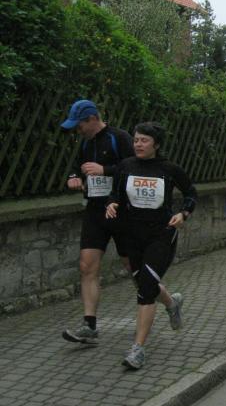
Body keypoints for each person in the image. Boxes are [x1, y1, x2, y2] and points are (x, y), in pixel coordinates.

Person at [59, 100, 178, 346]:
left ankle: (170, 302)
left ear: (92, 119)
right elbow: (77, 167)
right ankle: (89, 326)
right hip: (95, 211)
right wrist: (73, 177)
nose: (77, 130)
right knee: (87, 266)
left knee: (136, 272)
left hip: (122, 214)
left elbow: (136, 169)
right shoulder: (85, 142)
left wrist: (104, 170)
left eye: (79, 125)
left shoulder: (119, 138)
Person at [105, 122, 196, 370]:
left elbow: (191, 193)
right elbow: (115, 194)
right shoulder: (125, 166)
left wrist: (183, 214)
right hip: (132, 236)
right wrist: (111, 204)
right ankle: (172, 304)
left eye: (144, 140)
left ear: (156, 144)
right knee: (146, 283)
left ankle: (138, 349)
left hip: (161, 235)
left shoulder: (169, 169)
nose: (138, 144)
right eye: (136, 140)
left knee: (145, 288)